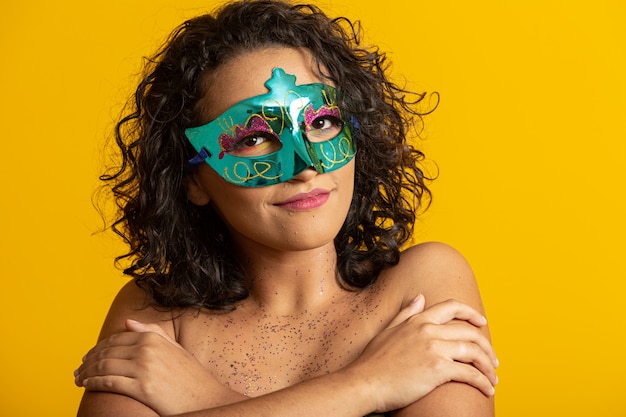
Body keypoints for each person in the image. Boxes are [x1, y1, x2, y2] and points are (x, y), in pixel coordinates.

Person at [74, 1, 498, 416]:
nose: (305, 167)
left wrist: (201, 399)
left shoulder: (424, 284)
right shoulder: (153, 315)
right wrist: (372, 384)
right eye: (252, 138)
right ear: (193, 180)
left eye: (319, 123)